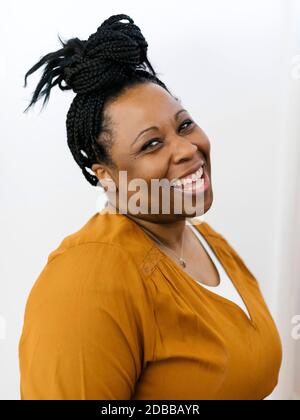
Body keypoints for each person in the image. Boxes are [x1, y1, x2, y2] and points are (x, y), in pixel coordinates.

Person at [19, 13, 282, 400]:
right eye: (151, 144)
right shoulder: (86, 281)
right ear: (107, 175)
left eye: (185, 124)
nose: (187, 149)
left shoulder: (208, 242)